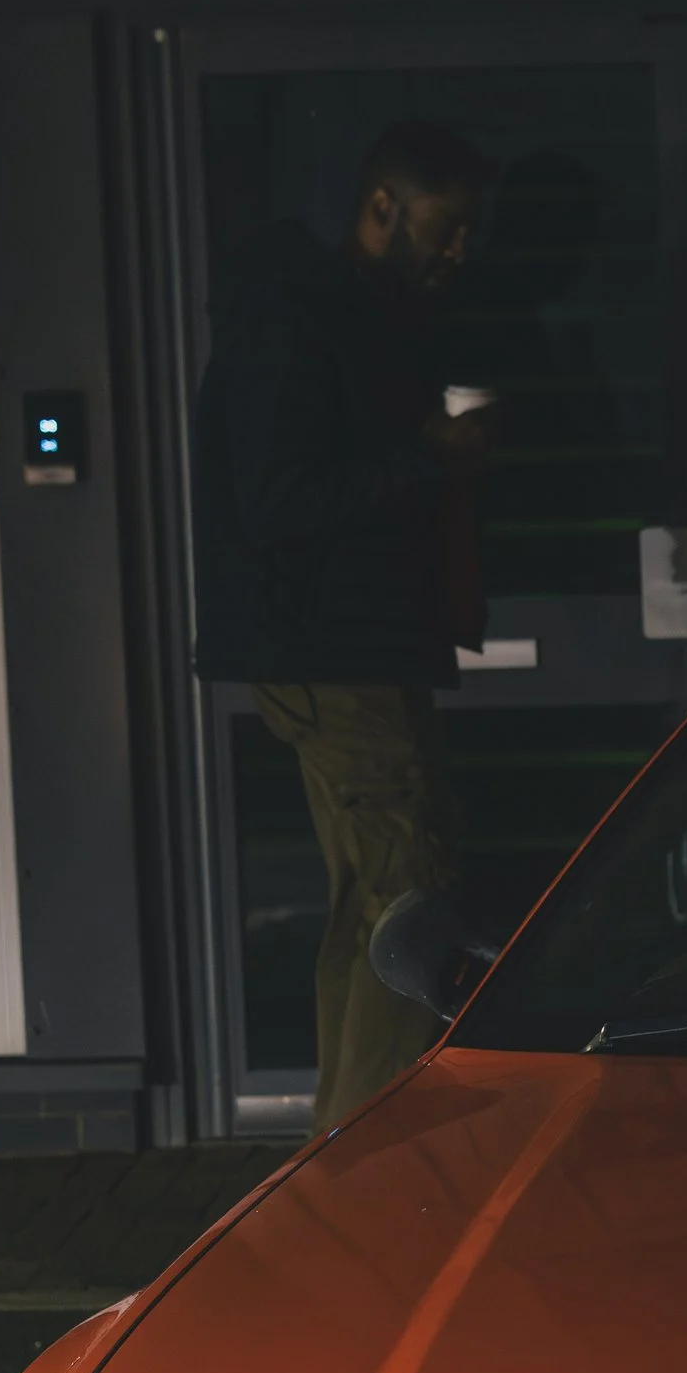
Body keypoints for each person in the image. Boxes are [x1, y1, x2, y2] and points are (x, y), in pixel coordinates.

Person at [191, 119, 492, 1131]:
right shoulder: (297, 315)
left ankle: (339, 1154)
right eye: (443, 228)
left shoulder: (340, 311)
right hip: (339, 648)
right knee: (412, 907)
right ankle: (368, 1162)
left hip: (342, 646)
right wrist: (432, 456)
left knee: (371, 907)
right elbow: (279, 500)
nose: (457, 252)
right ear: (381, 207)